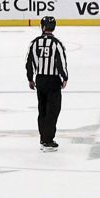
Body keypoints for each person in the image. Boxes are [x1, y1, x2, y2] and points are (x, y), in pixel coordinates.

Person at [26, 15, 68, 152]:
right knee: (53, 110)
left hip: (40, 80)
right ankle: (48, 140)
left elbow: (29, 62)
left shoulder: (34, 42)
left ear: (43, 27)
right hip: (53, 80)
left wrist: (30, 79)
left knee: (42, 109)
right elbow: (61, 61)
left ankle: (43, 138)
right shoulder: (57, 43)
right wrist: (65, 77)